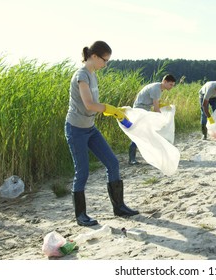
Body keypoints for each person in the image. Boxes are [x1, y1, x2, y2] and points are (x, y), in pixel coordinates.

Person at [65, 40, 139, 227]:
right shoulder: (82, 75)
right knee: (82, 171)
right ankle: (81, 215)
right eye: (105, 60)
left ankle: (119, 207)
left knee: (112, 162)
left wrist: (115, 109)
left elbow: (94, 105)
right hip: (76, 129)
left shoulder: (93, 74)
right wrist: (110, 109)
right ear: (94, 56)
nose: (106, 64)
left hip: (90, 128)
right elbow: (89, 104)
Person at [128, 74, 176, 165]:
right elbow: (156, 108)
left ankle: (149, 156)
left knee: (147, 133)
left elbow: (156, 103)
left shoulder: (159, 88)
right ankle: (132, 159)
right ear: (164, 82)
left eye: (173, 85)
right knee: (139, 133)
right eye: (170, 85)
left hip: (144, 109)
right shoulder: (156, 89)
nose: (172, 87)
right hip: (140, 110)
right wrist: (162, 120)